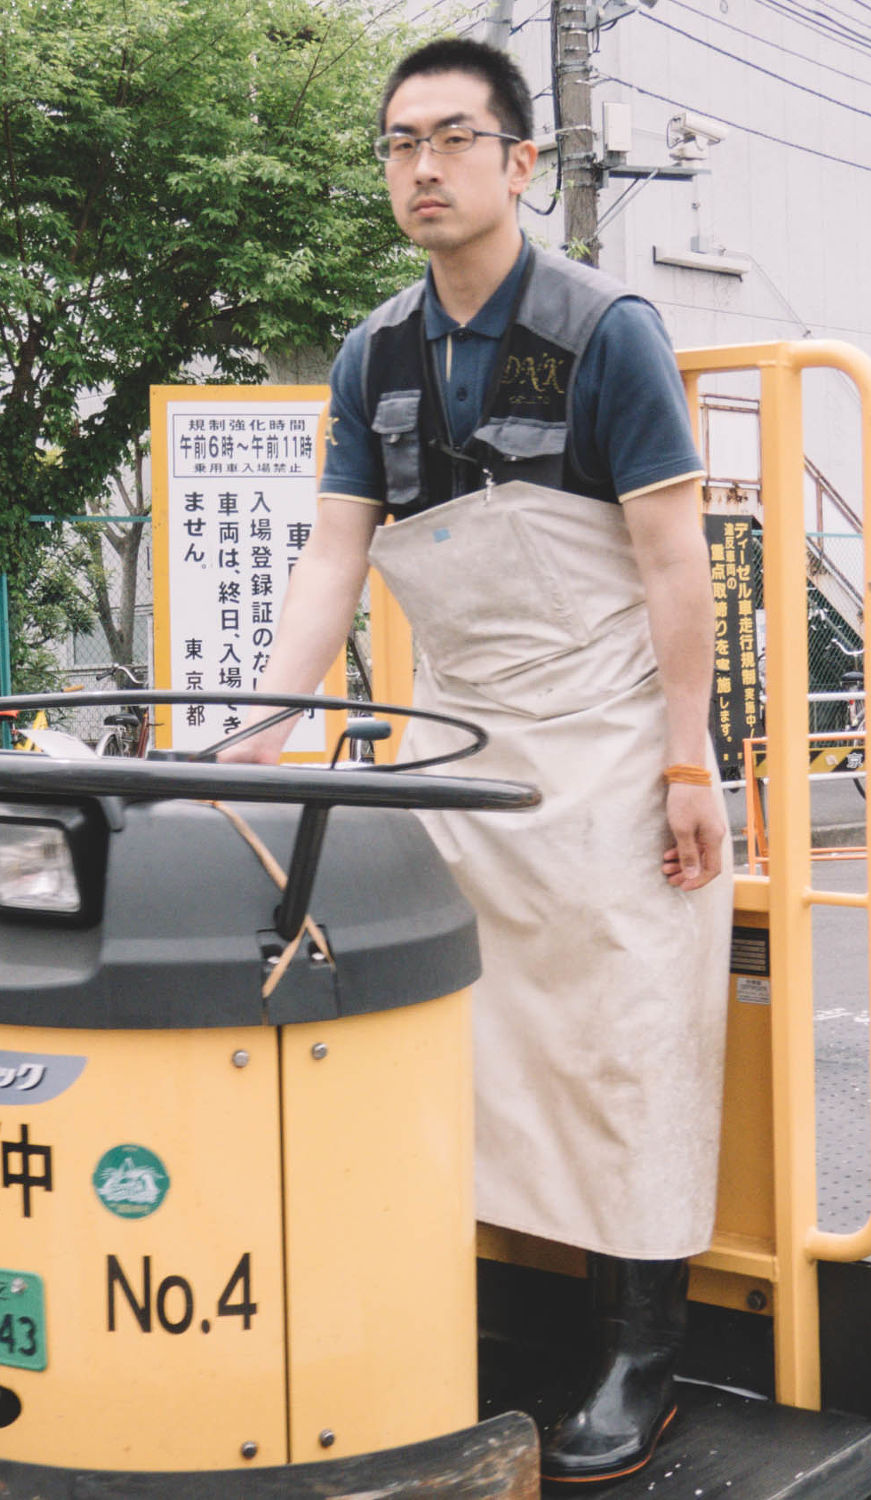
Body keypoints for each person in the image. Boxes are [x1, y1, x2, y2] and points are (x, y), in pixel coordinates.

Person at [221, 37, 731, 1484]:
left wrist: (686, 762)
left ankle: (642, 1354)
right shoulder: (373, 351)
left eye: (451, 138)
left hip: (613, 730)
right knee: (441, 1031)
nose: (422, 167)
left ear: (516, 162)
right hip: (454, 738)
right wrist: (266, 716)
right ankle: (460, 1315)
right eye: (397, 143)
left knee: (626, 1034)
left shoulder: (601, 325)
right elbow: (337, 554)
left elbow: (671, 557)